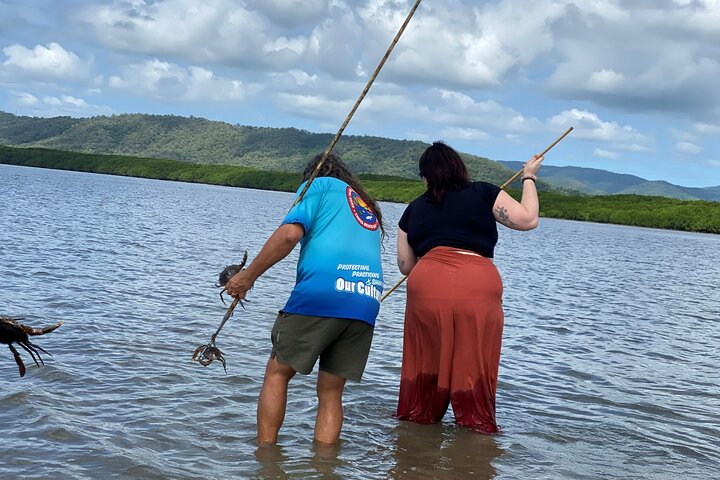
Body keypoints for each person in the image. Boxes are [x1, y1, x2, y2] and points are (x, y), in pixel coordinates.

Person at [225, 152, 384, 446]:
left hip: (324, 293)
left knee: (277, 373)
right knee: (331, 392)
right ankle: (324, 467)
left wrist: (249, 275)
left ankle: (266, 459)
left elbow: (288, 235)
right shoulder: (364, 204)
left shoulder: (318, 185)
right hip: (366, 300)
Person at [395, 141, 543, 433]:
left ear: (426, 175)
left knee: (425, 360)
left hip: (428, 286)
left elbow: (406, 266)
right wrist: (529, 177)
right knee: (474, 362)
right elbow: (528, 220)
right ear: (458, 168)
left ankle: (417, 424)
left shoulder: (412, 210)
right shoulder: (484, 192)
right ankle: (475, 429)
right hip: (477, 284)